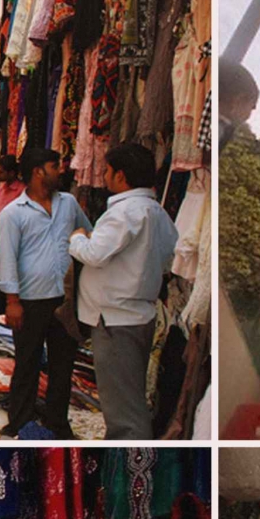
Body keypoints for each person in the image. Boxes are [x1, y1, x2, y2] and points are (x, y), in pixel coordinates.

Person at [68, 143, 178, 440]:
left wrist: (78, 238)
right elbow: (169, 258)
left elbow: (94, 253)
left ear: (121, 176)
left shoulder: (125, 212)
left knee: (123, 410)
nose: (103, 176)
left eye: (106, 170)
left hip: (116, 319)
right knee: (129, 396)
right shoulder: (157, 213)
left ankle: (131, 458)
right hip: (137, 315)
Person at [0, 147, 93, 439]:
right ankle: (21, 422)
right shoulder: (13, 213)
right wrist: (12, 301)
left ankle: (57, 422)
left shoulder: (69, 204)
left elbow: (88, 234)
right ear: (38, 171)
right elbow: (7, 258)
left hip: (64, 299)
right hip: (29, 300)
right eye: (55, 166)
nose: (60, 170)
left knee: (63, 364)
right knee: (27, 362)